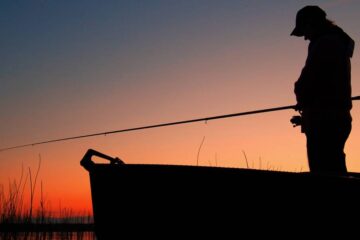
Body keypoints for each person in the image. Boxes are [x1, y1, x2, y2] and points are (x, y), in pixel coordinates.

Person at [290, 5, 355, 174]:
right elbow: (326, 86)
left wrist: (303, 100)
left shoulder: (325, 43)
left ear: (311, 24)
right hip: (337, 118)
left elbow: (308, 81)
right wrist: (306, 114)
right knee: (335, 169)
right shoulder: (337, 43)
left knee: (323, 174)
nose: (305, 37)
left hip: (323, 121)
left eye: (304, 30)